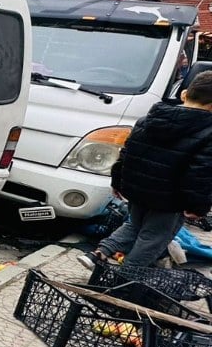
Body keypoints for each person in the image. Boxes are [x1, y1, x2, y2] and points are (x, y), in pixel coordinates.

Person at [81, 71, 212, 269]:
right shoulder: (208, 132)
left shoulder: (149, 119)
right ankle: (126, 276)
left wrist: (117, 181)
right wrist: (198, 206)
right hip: (170, 200)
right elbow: (200, 174)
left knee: (134, 225)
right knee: (154, 238)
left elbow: (127, 153)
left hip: (137, 190)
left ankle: (98, 254)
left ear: (184, 94)